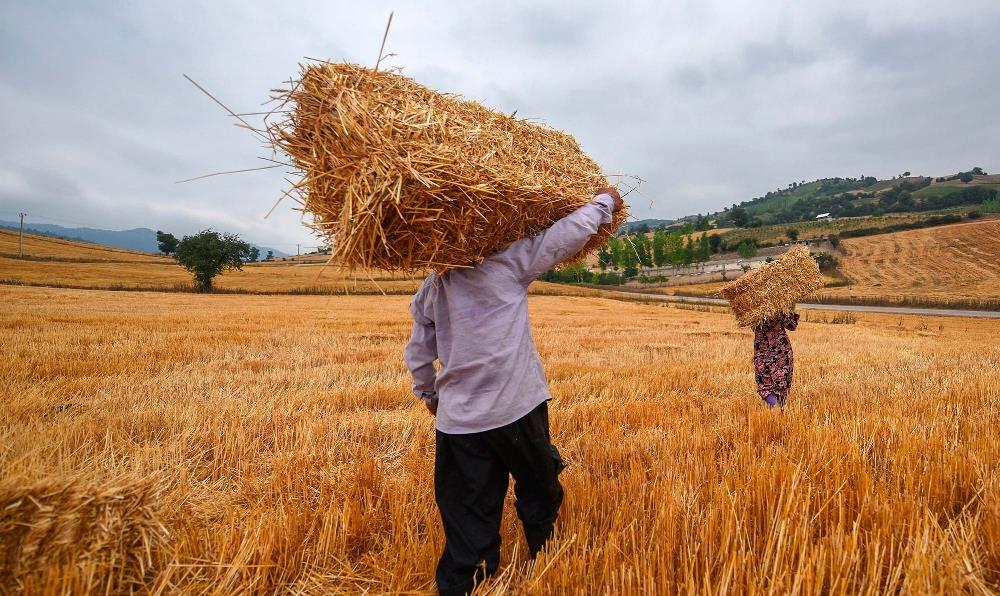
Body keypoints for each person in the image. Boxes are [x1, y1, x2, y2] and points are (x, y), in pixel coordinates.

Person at [403, 188, 624, 596]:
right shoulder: (508, 263)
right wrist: (604, 202)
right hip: (517, 408)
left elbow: (418, 352)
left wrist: (430, 395)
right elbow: (566, 234)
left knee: (468, 510)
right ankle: (547, 557)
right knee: (539, 485)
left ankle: (465, 583)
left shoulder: (434, 285)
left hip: (459, 422)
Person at [753, 311, 800, 408]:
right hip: (780, 351)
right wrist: (789, 311)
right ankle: (777, 408)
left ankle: (775, 410)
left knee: (765, 384)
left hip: (763, 351)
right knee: (780, 384)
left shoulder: (753, 307)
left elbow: (751, 326)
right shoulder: (777, 305)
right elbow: (792, 325)